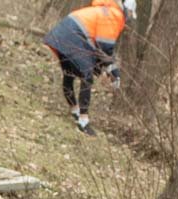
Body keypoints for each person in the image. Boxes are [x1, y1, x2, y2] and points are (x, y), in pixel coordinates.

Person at [43, 0, 134, 136]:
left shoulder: (107, 10)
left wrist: (108, 68)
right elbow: (105, 48)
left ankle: (75, 111)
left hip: (63, 32)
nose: (130, 19)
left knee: (69, 73)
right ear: (127, 11)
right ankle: (83, 121)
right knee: (87, 77)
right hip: (72, 36)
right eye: (131, 14)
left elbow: (98, 46)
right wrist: (114, 72)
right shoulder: (114, 16)